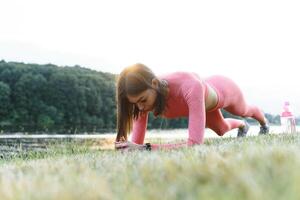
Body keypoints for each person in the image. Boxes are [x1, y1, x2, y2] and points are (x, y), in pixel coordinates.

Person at [115, 63, 269, 151]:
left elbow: (194, 144)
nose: (140, 108)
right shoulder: (144, 97)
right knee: (221, 130)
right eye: (135, 103)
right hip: (201, 104)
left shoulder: (190, 87)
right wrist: (130, 148)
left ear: (155, 84)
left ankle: (264, 124)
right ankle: (243, 126)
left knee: (244, 111)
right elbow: (135, 145)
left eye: (142, 100)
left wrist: (145, 148)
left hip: (224, 89)